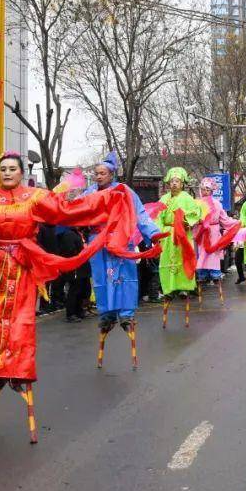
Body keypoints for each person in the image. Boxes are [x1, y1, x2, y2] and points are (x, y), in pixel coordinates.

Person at [0, 151, 145, 442]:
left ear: (21, 172)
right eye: (3, 169)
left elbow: (68, 210)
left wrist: (110, 197)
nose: (8, 173)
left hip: (22, 265)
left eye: (13, 168)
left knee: (21, 321)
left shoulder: (35, 198)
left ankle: (18, 372)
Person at [83, 152, 160, 361]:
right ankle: (106, 314)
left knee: (124, 276)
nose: (98, 177)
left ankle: (126, 314)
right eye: (96, 173)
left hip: (121, 238)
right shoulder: (89, 193)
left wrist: (153, 234)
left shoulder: (125, 191)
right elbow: (75, 212)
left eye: (102, 173)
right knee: (101, 279)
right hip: (98, 241)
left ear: (111, 175)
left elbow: (141, 214)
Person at [156, 167, 202, 327]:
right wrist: (159, 233)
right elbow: (158, 216)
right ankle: (168, 288)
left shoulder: (187, 198)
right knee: (167, 261)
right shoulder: (163, 200)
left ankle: (184, 287)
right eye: (172, 182)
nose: (174, 184)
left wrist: (186, 222)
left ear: (182, 184)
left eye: (177, 181)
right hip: (168, 234)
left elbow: (196, 213)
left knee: (183, 259)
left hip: (182, 233)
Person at [194, 176, 236, 302]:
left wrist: (236, 223)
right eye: (203, 189)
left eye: (207, 189)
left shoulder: (217, 204)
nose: (205, 192)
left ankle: (214, 274)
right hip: (202, 232)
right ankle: (202, 273)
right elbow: (192, 219)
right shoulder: (197, 204)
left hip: (214, 232)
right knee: (202, 253)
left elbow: (225, 220)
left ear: (212, 191)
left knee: (213, 254)